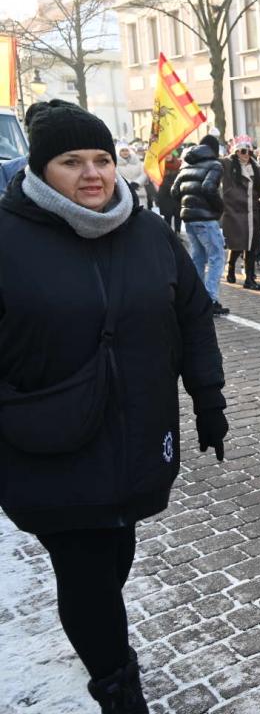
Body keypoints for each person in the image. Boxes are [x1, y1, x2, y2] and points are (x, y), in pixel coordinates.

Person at [0, 100, 227, 711]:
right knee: (87, 574)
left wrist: (208, 400)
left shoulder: (148, 232)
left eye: (101, 159)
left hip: (135, 434)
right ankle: (117, 687)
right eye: (71, 161)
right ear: (40, 167)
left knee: (114, 558)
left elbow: (191, 319)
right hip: (47, 441)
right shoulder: (7, 236)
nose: (92, 174)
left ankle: (107, 658)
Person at [175, 135, 229, 316]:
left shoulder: (186, 165)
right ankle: (209, 300)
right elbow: (208, 188)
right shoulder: (215, 165)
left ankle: (196, 298)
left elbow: (175, 191)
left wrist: (188, 204)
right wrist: (219, 208)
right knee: (217, 257)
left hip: (189, 217)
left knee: (198, 257)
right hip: (206, 218)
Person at [220, 136, 260, 290]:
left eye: (248, 151)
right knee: (238, 244)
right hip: (235, 211)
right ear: (236, 152)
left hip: (252, 211)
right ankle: (231, 267)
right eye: (242, 151)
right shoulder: (228, 164)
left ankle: (249, 278)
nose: (246, 154)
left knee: (251, 245)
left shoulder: (255, 166)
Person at [116, 142, 154, 214]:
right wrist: (129, 183)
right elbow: (117, 175)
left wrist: (137, 183)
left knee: (142, 213)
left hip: (139, 191)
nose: (125, 152)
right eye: (122, 150)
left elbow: (144, 174)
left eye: (126, 150)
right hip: (125, 192)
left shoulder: (138, 162)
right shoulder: (116, 164)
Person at [157, 150, 183, 233]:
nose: (167, 156)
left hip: (177, 193)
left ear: (173, 154)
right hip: (165, 194)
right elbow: (158, 179)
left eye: (169, 154)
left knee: (178, 215)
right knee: (167, 215)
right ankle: (168, 233)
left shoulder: (179, 164)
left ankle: (178, 232)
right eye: (165, 154)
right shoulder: (160, 166)